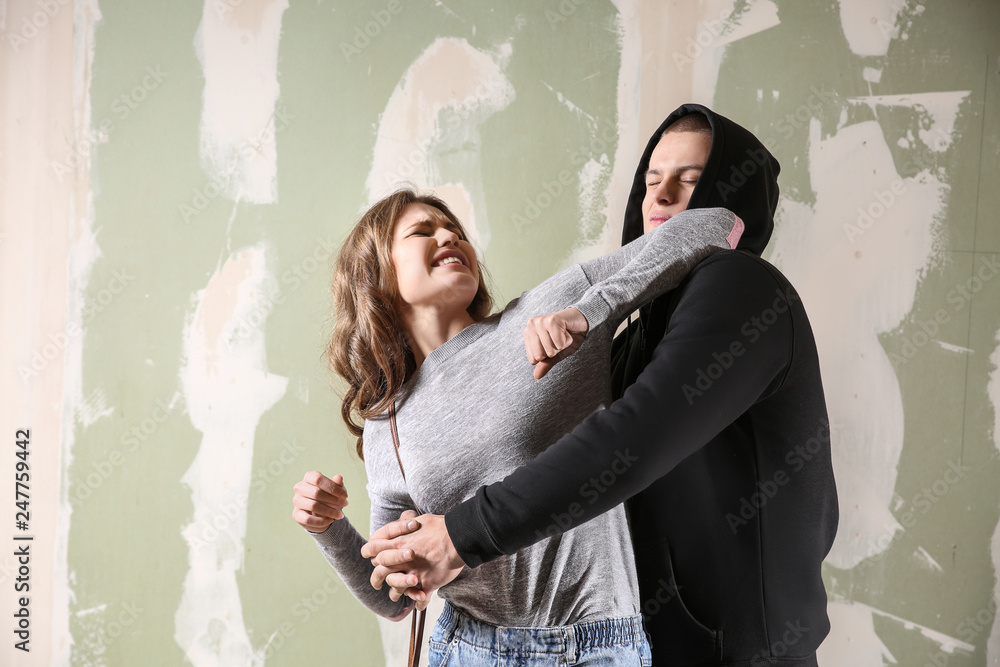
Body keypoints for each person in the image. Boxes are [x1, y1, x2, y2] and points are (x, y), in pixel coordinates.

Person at [362, 105, 839, 667]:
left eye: (689, 180)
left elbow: (632, 438)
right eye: (651, 181)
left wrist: (460, 535)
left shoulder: (743, 289)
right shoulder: (641, 331)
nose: (661, 196)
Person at [291, 187, 744, 665]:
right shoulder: (388, 423)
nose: (449, 236)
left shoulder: (547, 310)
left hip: (601, 644)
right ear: (377, 277)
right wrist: (329, 528)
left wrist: (589, 311)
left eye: (455, 230)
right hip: (470, 648)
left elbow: (717, 223)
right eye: (423, 231)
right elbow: (394, 596)